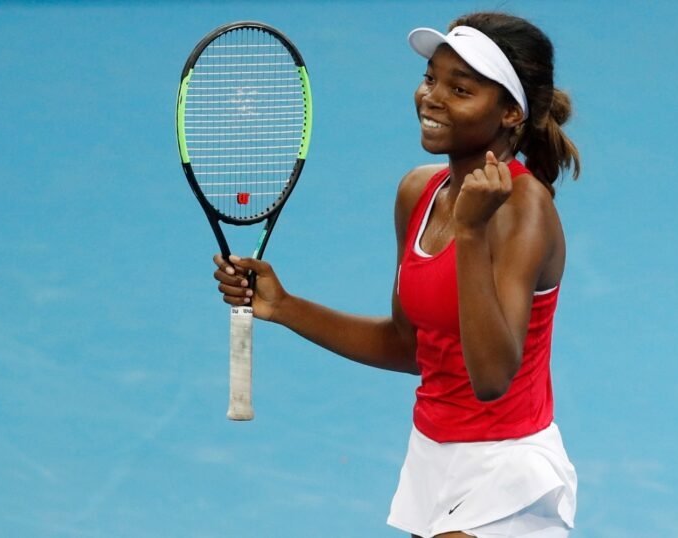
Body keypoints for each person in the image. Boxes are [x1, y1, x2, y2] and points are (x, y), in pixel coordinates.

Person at [214, 11, 581, 538]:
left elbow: (494, 379)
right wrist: (285, 306)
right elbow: (409, 346)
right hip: (432, 458)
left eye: (461, 89)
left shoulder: (524, 209)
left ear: (508, 113)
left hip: (505, 470)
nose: (431, 98)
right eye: (431, 78)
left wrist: (472, 235)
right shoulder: (419, 192)